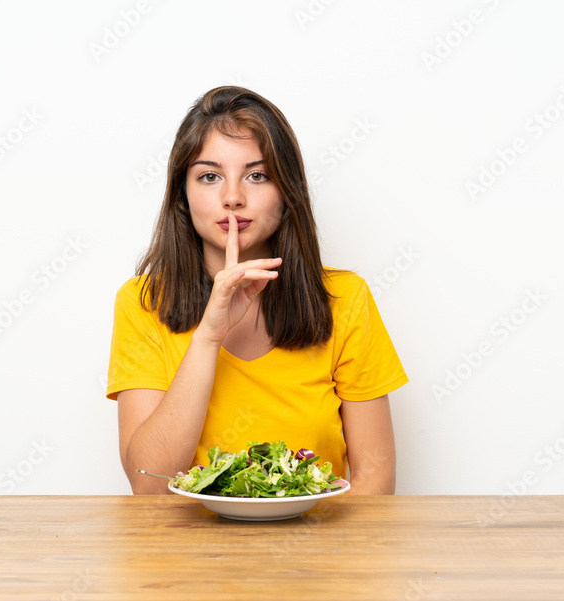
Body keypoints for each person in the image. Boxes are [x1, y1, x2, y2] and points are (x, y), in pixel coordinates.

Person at [106, 86, 407, 495]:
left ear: (287, 192)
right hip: (185, 554)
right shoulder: (142, 302)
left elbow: (375, 481)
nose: (233, 198)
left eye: (257, 175)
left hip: (314, 553)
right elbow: (150, 484)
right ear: (183, 195)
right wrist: (209, 335)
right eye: (210, 176)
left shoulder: (345, 299)